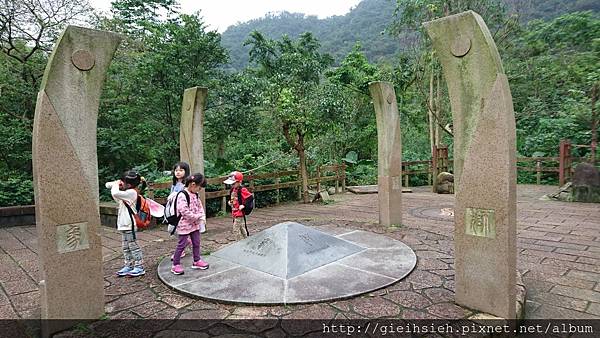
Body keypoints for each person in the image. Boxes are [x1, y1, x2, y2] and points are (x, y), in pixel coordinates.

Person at [106, 170, 147, 277]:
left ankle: (139, 266)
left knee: (133, 246)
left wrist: (115, 184)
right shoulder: (126, 193)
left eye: (122, 182)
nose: (120, 183)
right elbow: (110, 189)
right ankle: (128, 265)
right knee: (126, 247)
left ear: (128, 184)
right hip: (123, 225)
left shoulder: (132, 193)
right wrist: (117, 184)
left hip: (130, 225)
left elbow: (114, 192)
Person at [171, 173, 209, 275]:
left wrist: (202, 216)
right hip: (184, 225)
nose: (199, 189)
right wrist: (197, 216)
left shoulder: (195, 194)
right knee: (181, 245)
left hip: (195, 224)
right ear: (193, 184)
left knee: (196, 243)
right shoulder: (182, 195)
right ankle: (175, 264)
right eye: (199, 187)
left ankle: (197, 260)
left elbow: (200, 206)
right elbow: (184, 211)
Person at [224, 171, 252, 240]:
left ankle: (238, 243)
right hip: (234, 212)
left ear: (239, 182)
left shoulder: (242, 190)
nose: (232, 185)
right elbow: (233, 199)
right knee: (241, 227)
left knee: (235, 229)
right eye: (231, 184)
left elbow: (250, 197)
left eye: (233, 183)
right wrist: (230, 202)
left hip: (240, 213)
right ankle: (246, 239)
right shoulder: (233, 190)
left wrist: (244, 205)